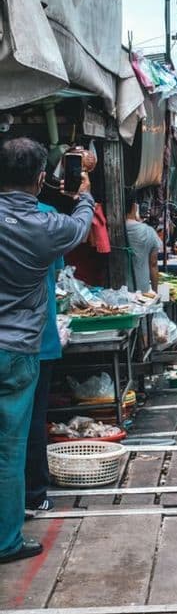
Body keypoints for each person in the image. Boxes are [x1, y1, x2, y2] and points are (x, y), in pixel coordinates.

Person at [0, 137, 94, 563]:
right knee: (11, 448)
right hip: (18, 350)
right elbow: (81, 224)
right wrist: (85, 194)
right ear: (41, 179)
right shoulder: (46, 226)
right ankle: (7, 541)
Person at [24, 204, 64, 513]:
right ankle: (35, 494)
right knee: (34, 420)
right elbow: (58, 269)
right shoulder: (48, 217)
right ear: (39, 178)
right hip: (40, 337)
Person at [125, 189, 161, 293]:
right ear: (134, 207)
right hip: (142, 292)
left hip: (116, 293)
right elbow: (153, 264)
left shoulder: (111, 231)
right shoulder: (148, 232)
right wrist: (155, 293)